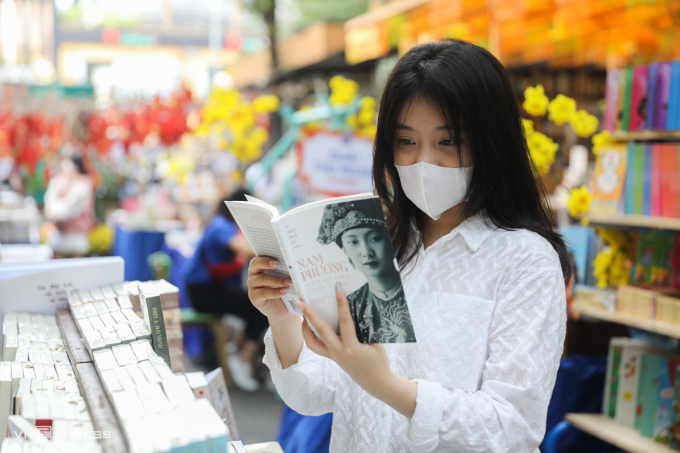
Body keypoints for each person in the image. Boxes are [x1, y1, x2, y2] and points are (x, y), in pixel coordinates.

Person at [247, 39, 571, 452]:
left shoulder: (525, 260)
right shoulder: (375, 242)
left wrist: (385, 384)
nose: (424, 163)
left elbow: (509, 427)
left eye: (448, 142)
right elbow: (318, 394)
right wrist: (282, 319)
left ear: (491, 142)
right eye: (406, 141)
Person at [184, 188, 266, 392]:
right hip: (204, 294)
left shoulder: (221, 223)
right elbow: (245, 249)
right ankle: (242, 357)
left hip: (206, 290)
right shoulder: (221, 226)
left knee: (259, 304)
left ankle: (237, 349)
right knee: (262, 305)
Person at [316, 199, 415, 344]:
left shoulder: (417, 285)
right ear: (344, 250)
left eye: (374, 238)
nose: (366, 253)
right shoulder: (351, 305)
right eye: (353, 242)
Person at [44, 155, 95, 257]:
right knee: (55, 256)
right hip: (60, 229)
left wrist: (56, 214)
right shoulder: (59, 180)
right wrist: (51, 212)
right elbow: (51, 197)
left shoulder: (84, 183)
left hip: (76, 230)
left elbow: (74, 207)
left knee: (76, 261)